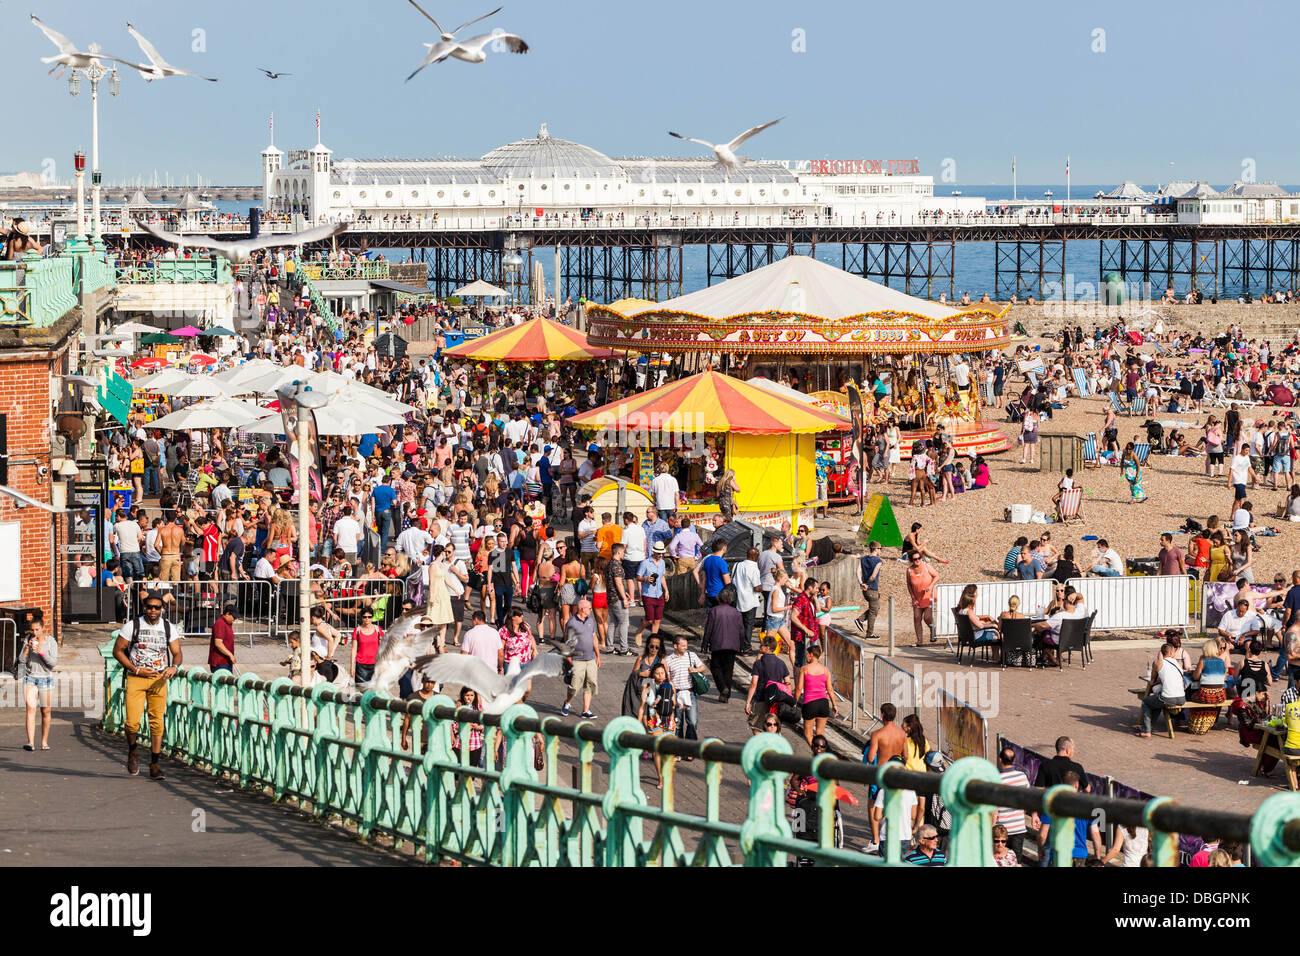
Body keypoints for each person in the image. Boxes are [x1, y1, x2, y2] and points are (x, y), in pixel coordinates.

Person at [114, 593, 183, 778]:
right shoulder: (132, 626)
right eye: (150, 607)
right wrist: (135, 669)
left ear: (162, 609)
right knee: (132, 723)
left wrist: (174, 667)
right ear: (144, 607)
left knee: (156, 723)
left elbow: (177, 653)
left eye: (157, 607)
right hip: (136, 678)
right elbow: (117, 651)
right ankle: (133, 750)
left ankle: (154, 763)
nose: (153, 610)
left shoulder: (168, 627)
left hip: (159, 679)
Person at [20, 618, 57, 752]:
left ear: (43, 628)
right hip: (30, 679)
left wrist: (41, 651)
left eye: (37, 629)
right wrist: (27, 648)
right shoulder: (28, 639)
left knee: (45, 711)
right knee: (30, 709)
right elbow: (21, 660)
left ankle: (44, 741)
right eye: (32, 630)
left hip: (45, 679)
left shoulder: (51, 641)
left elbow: (52, 663)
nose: (34, 632)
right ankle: (30, 742)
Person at [560, 597, 600, 719]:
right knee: (575, 685)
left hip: (590, 658)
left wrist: (598, 655)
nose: (591, 610)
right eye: (589, 608)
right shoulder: (571, 623)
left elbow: (594, 638)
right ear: (582, 609)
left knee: (591, 683)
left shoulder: (590, 621)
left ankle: (585, 710)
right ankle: (567, 703)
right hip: (577, 659)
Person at [1137, 642, 1187, 738]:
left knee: (1146, 702)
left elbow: (1152, 681)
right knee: (1157, 702)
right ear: (1171, 653)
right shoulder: (1178, 663)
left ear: (1161, 652)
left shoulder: (1157, 663)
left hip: (1168, 698)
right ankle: (1149, 726)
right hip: (1181, 698)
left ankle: (1146, 730)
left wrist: (1155, 682)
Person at [664, 634, 707, 745]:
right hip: (676, 693)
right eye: (683, 645)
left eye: (686, 645)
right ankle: (678, 749)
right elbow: (666, 679)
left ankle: (690, 748)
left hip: (690, 692)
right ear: (675, 646)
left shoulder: (691, 655)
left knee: (692, 722)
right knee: (677, 723)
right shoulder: (668, 660)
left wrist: (695, 669)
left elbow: (703, 667)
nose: (685, 648)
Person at [638, 662, 676, 786]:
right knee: (657, 750)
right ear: (653, 675)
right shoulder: (648, 685)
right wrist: (640, 721)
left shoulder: (670, 685)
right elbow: (642, 706)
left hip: (668, 719)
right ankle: (660, 777)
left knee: (669, 749)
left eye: (662, 673)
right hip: (654, 719)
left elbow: (674, 704)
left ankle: (667, 772)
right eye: (657, 673)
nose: (660, 675)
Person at [994, 748, 1036, 860]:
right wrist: (1030, 815)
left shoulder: (996, 780)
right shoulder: (1022, 777)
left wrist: (991, 828)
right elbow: (1029, 800)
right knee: (1016, 860)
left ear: (1000, 759)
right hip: (1019, 828)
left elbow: (994, 809)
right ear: (1014, 760)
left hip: (1002, 830)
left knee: (1000, 859)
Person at [705, 584, 744, 702]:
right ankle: (725, 695)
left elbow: (708, 629)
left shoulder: (714, 611)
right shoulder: (737, 613)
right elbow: (741, 631)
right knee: (728, 670)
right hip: (732, 646)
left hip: (717, 645)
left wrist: (704, 644)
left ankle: (723, 688)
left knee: (715, 667)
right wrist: (742, 646)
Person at [745, 634, 791, 733]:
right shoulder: (781, 663)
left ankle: (762, 746)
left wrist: (748, 701)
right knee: (772, 728)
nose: (759, 647)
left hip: (761, 699)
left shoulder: (758, 663)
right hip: (776, 701)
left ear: (767, 648)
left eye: (761, 645)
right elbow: (788, 683)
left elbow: (754, 683)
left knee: (757, 728)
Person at [795, 644, 838, 748]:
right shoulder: (825, 670)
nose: (806, 657)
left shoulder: (804, 669)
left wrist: (794, 702)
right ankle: (821, 750)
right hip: (823, 703)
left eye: (807, 655)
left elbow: (799, 688)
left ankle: (816, 752)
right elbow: (830, 689)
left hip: (810, 703)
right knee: (820, 733)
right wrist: (835, 705)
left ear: (811, 655)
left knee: (808, 733)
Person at [634, 540, 669, 647]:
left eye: (662, 553)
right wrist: (645, 579)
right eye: (659, 553)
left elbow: (662, 577)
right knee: (649, 619)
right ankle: (639, 631)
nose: (660, 555)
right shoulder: (645, 563)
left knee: (657, 620)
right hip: (648, 594)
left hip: (659, 594)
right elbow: (638, 577)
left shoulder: (662, 562)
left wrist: (666, 590)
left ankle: (653, 641)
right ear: (654, 552)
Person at [905, 550, 939, 645]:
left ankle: (933, 629)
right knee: (916, 617)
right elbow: (909, 584)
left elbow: (936, 576)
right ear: (912, 560)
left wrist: (931, 586)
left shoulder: (927, 566)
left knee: (927, 617)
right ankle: (919, 640)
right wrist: (913, 597)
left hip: (929, 596)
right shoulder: (909, 570)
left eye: (919, 558)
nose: (918, 560)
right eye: (915, 559)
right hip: (917, 597)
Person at [732, 546, 763, 650]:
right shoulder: (754, 569)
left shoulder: (737, 565)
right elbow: (756, 587)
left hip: (737, 599)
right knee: (748, 625)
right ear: (755, 557)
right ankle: (746, 646)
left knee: (738, 625)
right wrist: (764, 587)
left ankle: (736, 644)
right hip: (750, 601)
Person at [854, 539, 883, 638]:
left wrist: (861, 583)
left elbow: (858, 571)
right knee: (873, 611)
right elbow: (873, 576)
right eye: (880, 549)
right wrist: (867, 584)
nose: (881, 551)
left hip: (865, 590)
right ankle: (869, 633)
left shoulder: (863, 559)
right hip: (872, 588)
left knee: (875, 607)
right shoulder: (878, 561)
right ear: (876, 549)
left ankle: (860, 620)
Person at [695, 537, 731, 609]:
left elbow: (704, 578)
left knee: (711, 616)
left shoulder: (707, 560)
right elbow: (727, 582)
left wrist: (702, 594)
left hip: (709, 593)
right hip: (720, 594)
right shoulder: (722, 562)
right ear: (724, 548)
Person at [208, 604, 239, 674]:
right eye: (233, 617)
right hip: (220, 663)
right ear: (227, 614)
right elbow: (218, 643)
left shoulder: (228, 623)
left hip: (226, 661)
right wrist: (230, 655)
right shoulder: (220, 624)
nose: (234, 620)